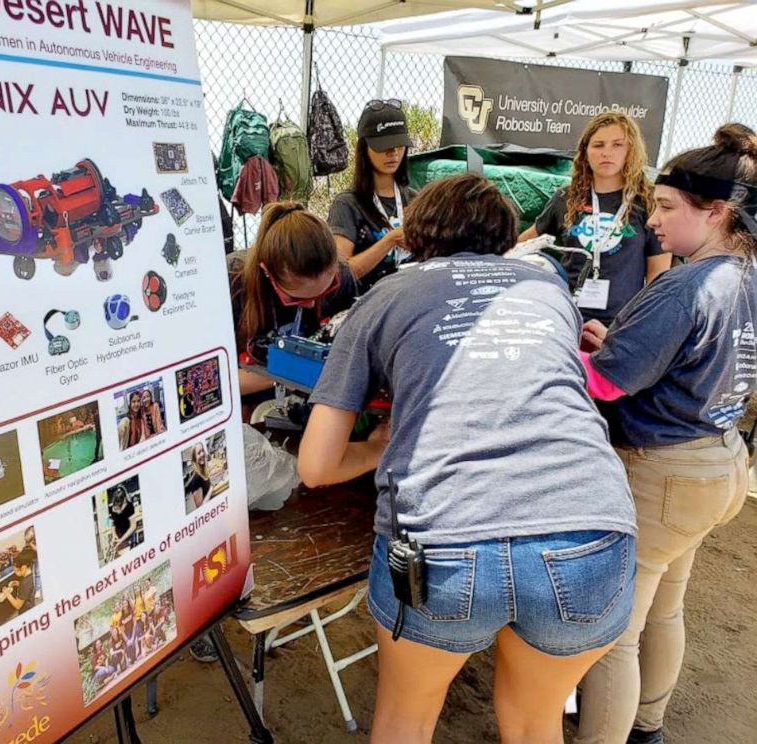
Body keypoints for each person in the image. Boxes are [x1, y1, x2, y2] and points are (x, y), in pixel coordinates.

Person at [298, 173, 637, 744]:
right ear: (506, 236)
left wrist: (380, 445)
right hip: (590, 531)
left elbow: (315, 466)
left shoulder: (388, 295)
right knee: (535, 725)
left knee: (406, 719)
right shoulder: (549, 290)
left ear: (416, 235)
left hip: (443, 542)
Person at [575, 124, 757, 744]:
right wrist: (619, 347)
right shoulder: (745, 274)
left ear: (717, 212)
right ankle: (647, 727)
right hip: (721, 459)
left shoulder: (683, 284)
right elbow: (686, 358)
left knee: (613, 635)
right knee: (667, 606)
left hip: (665, 472)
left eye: (667, 206)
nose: (653, 218)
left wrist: (572, 353)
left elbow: (605, 387)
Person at [519, 112, 670, 325]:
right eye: (598, 145)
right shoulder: (566, 198)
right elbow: (524, 243)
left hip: (620, 325)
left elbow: (658, 276)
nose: (606, 153)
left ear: (631, 151)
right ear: (585, 152)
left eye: (617, 145)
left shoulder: (648, 202)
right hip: (565, 317)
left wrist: (641, 325)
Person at [228, 201, 358, 397]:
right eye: (296, 298)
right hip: (249, 404)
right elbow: (214, 385)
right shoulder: (231, 284)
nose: (312, 304)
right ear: (267, 272)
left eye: (324, 292)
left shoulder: (342, 276)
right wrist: (296, 372)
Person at [328, 99, 415, 290]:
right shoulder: (347, 204)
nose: (393, 152)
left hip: (407, 298)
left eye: (399, 145)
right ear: (364, 149)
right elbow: (339, 275)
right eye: (384, 146)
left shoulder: (415, 199)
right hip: (362, 305)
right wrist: (389, 240)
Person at [4, 548, 38, 615]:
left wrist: (7, 593)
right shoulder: (31, 575)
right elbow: (29, 589)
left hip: (26, 611)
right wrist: (18, 584)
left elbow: (18, 605)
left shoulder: (25, 583)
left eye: (16, 571)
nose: (15, 573)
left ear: (23, 568)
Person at [109, 485, 139, 556]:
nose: (117, 511)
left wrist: (121, 540)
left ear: (125, 500)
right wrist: (114, 535)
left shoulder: (129, 507)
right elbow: (113, 523)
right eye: (115, 509)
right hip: (119, 535)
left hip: (128, 535)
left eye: (119, 508)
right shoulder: (113, 508)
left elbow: (133, 526)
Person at [184, 442, 214, 508]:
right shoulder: (196, 480)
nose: (202, 454)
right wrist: (212, 487)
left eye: (202, 450)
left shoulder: (203, 471)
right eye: (198, 453)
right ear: (194, 459)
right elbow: (201, 508)